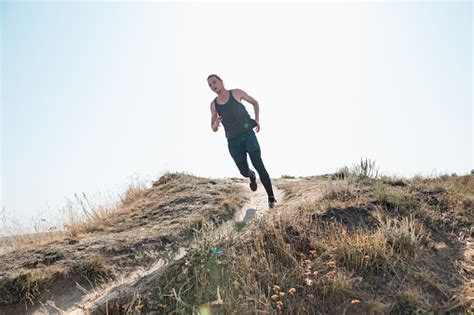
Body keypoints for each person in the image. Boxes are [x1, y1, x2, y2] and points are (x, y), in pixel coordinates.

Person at [207, 74, 277, 208]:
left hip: (248, 134)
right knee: (243, 171)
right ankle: (251, 176)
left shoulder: (236, 93)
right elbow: (213, 128)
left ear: (221, 81)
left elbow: (255, 102)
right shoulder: (213, 105)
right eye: (210, 85)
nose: (213, 86)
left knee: (258, 163)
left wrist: (257, 119)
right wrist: (216, 124)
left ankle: (271, 198)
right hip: (233, 141)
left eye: (214, 82)